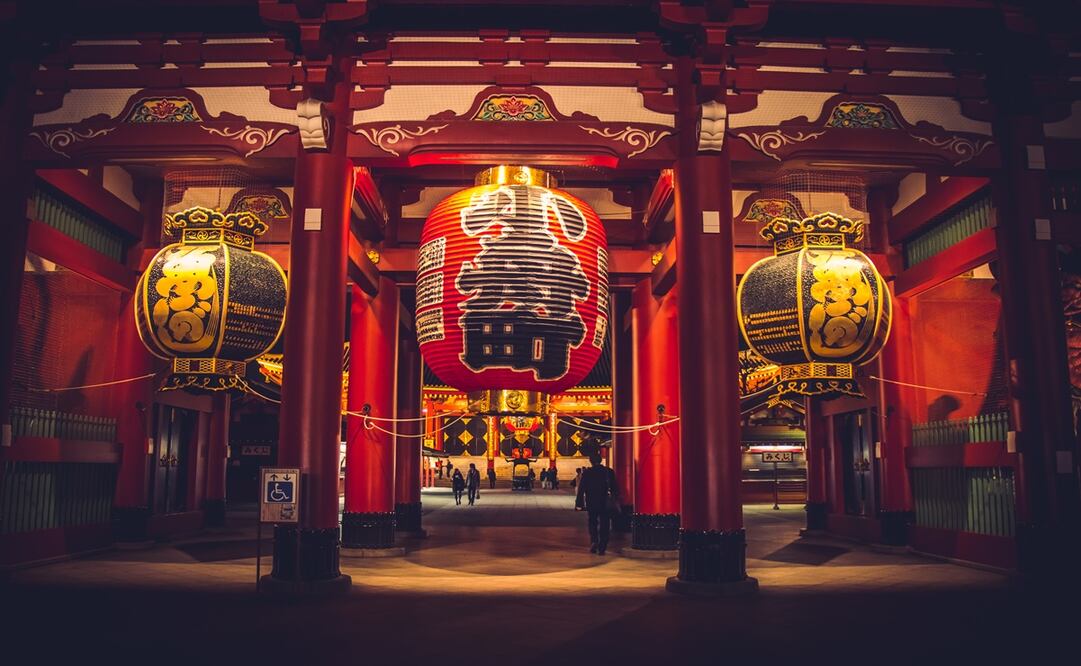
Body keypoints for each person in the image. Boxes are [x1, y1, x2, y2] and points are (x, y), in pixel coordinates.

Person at [574, 452, 619, 555]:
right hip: (605, 502)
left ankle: (594, 540)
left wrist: (579, 503)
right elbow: (615, 488)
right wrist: (615, 500)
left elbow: (581, 489)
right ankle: (602, 546)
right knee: (605, 523)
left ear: (591, 461)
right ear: (601, 460)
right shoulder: (609, 472)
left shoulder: (587, 473)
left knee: (592, 522)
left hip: (592, 501)